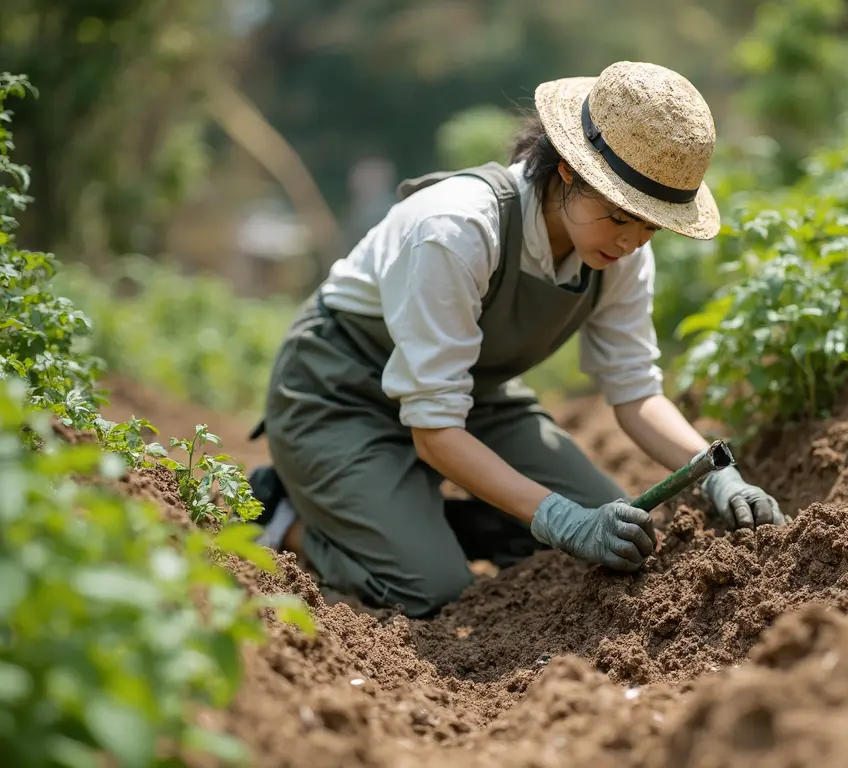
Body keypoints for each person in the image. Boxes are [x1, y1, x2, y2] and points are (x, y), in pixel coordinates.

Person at [245, 60, 787, 619]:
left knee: (621, 536)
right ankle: (293, 522)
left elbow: (635, 392)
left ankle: (416, 519)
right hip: (341, 396)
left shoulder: (621, 255)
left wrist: (720, 475)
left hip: (469, 397)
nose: (631, 240)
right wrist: (560, 519)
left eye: (649, 225)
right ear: (571, 171)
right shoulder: (457, 229)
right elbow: (434, 431)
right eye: (619, 216)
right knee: (430, 589)